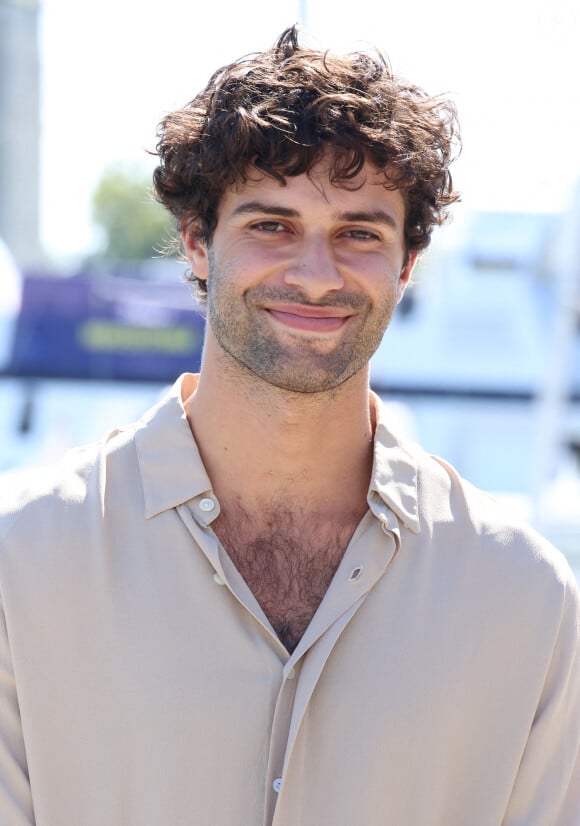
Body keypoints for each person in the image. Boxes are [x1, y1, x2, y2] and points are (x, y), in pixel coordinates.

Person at [0, 26, 578, 826]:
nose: (316, 275)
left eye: (359, 234)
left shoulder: (528, 601)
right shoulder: (21, 568)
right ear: (200, 243)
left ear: (407, 265)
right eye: (271, 225)